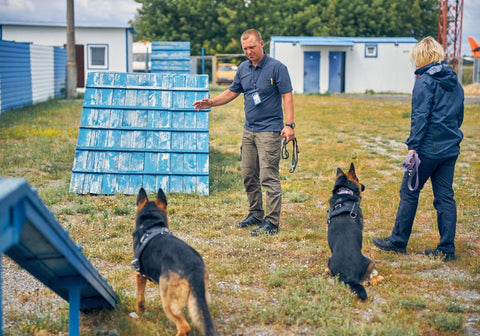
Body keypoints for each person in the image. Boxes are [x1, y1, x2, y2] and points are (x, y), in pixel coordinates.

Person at [193, 29, 295, 236]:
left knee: (268, 176)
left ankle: (272, 222)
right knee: (249, 175)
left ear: (261, 44)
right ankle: (256, 213)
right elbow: (232, 91)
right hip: (249, 130)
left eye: (252, 47)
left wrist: (289, 125)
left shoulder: (277, 68)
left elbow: (287, 96)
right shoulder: (243, 68)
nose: (249, 52)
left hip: (269, 131)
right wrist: (211, 102)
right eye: (245, 49)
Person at [373, 36, 464, 261]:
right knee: (445, 197)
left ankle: (398, 240)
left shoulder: (425, 80)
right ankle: (447, 249)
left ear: (422, 57)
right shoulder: (454, 80)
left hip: (428, 149)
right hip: (450, 148)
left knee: (409, 192)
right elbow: (459, 114)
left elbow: (420, 116)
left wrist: (413, 147)